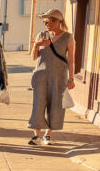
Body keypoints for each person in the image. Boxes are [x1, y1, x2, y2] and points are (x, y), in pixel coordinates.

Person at [28, 9, 75, 145]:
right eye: (45, 21)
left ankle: (48, 134)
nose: (47, 24)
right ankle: (36, 135)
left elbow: (71, 60)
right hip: (40, 76)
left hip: (59, 76)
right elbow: (33, 57)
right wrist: (37, 45)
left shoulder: (68, 37)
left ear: (59, 21)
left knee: (56, 106)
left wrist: (71, 79)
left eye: (50, 21)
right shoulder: (41, 35)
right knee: (38, 104)